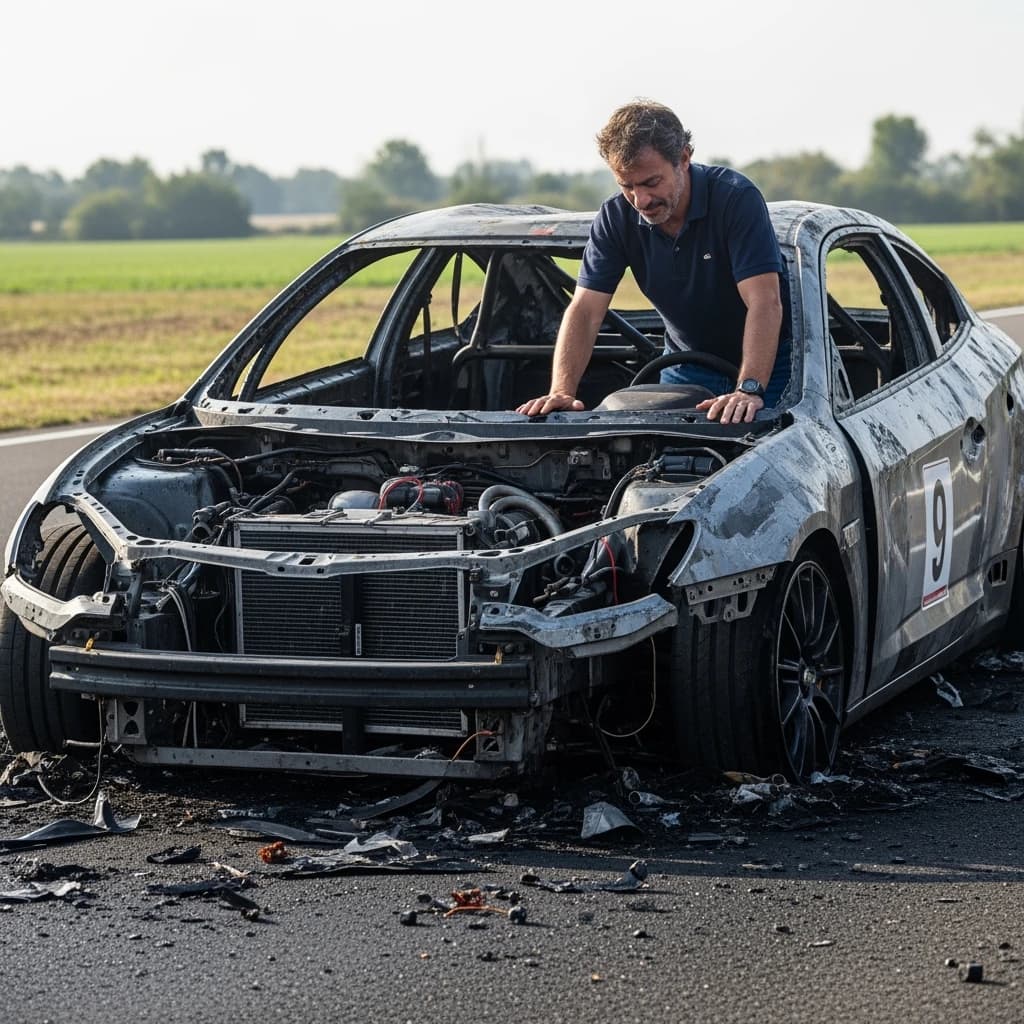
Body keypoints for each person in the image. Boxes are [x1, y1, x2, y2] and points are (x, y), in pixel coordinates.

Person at [516, 100, 790, 424]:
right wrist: (562, 390)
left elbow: (764, 301)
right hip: (685, 365)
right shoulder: (615, 218)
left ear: (684, 158)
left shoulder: (735, 199)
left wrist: (749, 388)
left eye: (650, 183)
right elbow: (586, 310)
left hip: (774, 366)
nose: (640, 200)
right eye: (626, 186)